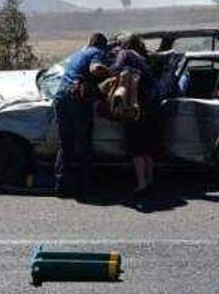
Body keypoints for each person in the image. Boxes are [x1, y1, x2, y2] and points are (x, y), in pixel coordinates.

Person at [53, 32, 110, 197]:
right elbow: (96, 69)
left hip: (61, 97)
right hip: (77, 98)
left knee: (65, 144)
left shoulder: (78, 53)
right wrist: (112, 73)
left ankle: (62, 187)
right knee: (84, 143)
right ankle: (86, 186)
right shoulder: (97, 53)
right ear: (102, 45)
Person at [107, 34, 160, 193]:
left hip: (135, 105)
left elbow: (114, 70)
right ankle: (149, 180)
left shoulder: (126, 54)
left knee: (136, 147)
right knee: (148, 147)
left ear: (125, 44)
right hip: (151, 106)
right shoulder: (144, 59)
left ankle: (141, 183)